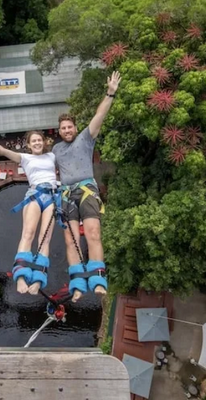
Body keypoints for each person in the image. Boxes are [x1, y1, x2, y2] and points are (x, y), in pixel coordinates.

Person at [53, 71, 122, 301]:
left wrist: (110, 93)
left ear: (75, 127)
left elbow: (99, 115)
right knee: (70, 240)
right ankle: (78, 281)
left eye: (69, 127)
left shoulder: (86, 138)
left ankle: (98, 278)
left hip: (85, 190)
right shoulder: (56, 150)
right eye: (63, 128)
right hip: (66, 194)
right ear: (59, 131)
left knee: (93, 232)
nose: (67, 131)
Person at [0, 129, 57, 295]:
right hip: (35, 195)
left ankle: (37, 278)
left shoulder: (52, 156)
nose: (37, 143)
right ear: (28, 145)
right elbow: (1, 150)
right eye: (33, 141)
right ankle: (21, 276)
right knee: (28, 234)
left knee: (46, 238)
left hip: (51, 196)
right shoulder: (25, 158)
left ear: (44, 142)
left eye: (39, 140)